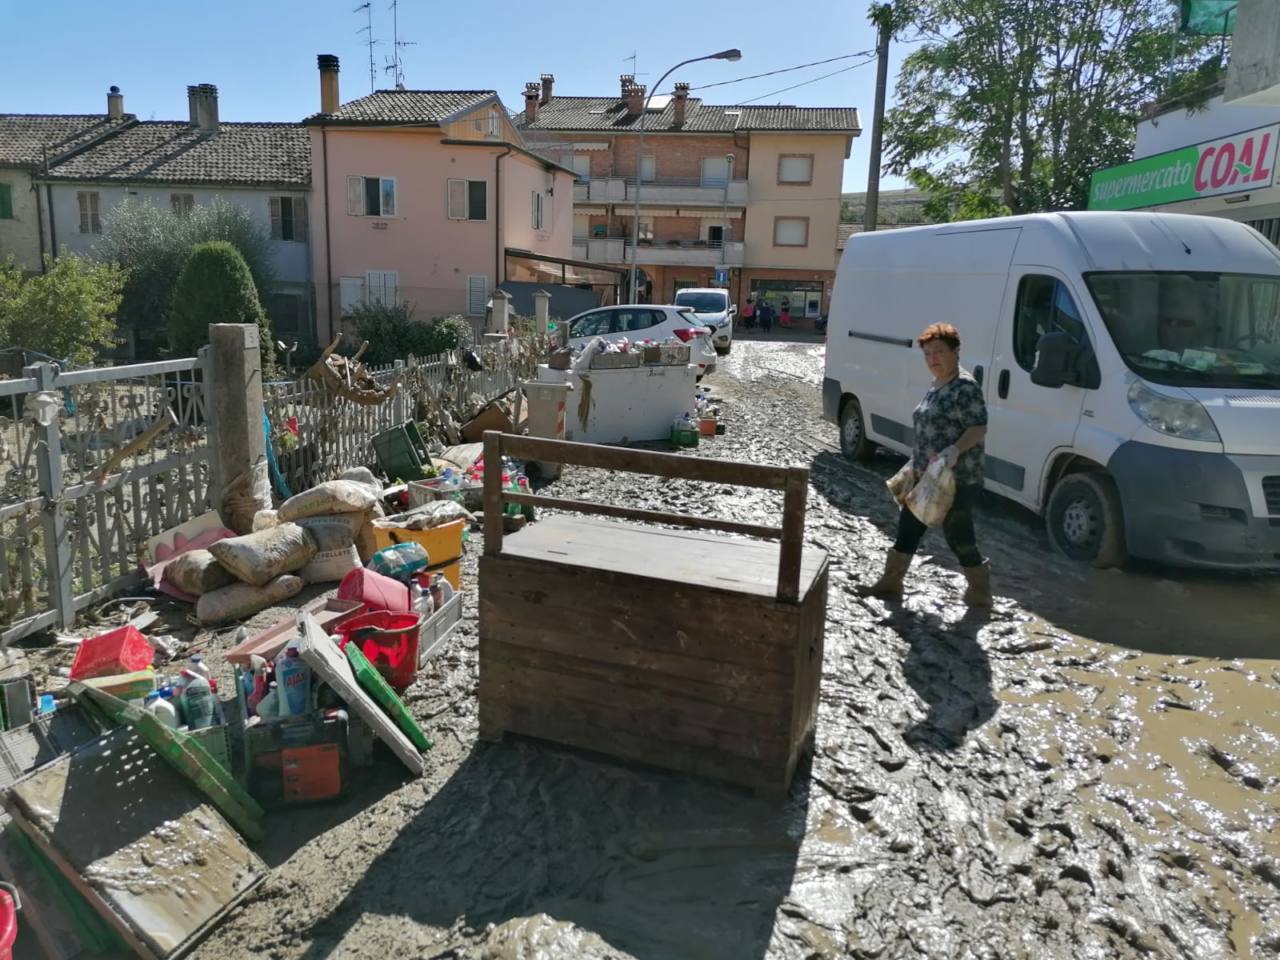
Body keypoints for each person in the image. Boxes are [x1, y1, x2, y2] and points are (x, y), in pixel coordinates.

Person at [858, 322, 992, 607]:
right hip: (926, 473)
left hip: (955, 478)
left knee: (958, 535)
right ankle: (891, 583)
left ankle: (980, 591)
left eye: (939, 352)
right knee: (909, 525)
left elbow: (978, 427)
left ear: (956, 352)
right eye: (928, 353)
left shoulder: (964, 386)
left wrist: (953, 451)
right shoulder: (936, 384)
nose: (933, 358)